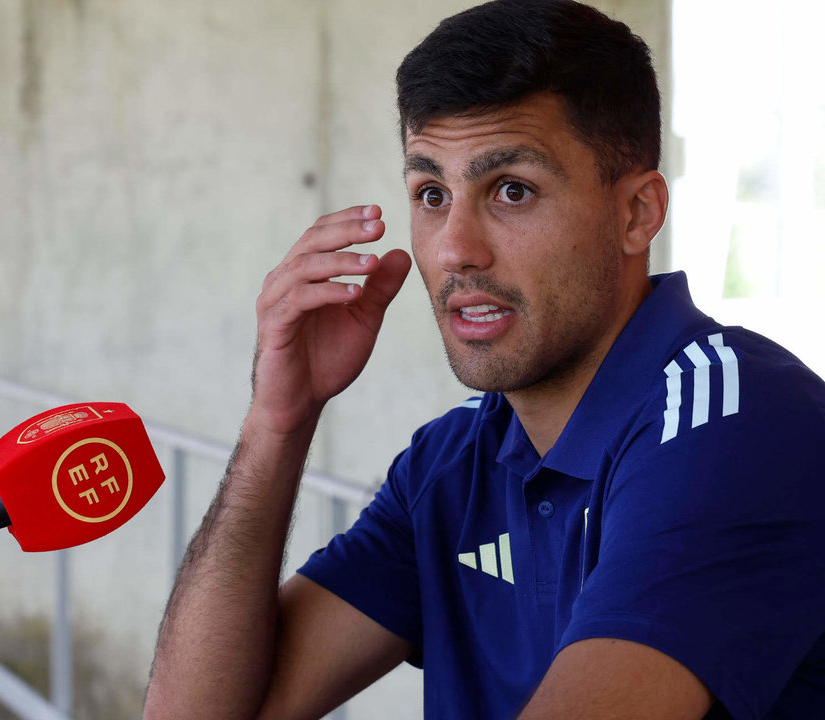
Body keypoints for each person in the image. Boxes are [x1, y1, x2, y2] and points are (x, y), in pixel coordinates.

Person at [143, 0, 825, 718]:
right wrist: (278, 420)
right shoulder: (452, 462)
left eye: (511, 190)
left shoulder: (738, 421)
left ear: (636, 214)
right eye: (432, 193)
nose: (453, 249)